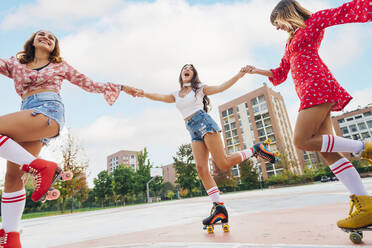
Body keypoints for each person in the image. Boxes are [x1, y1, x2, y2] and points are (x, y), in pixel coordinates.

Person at [0, 30, 137, 247]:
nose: (45, 37)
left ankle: (40, 166)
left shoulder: (60, 66)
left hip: (48, 111)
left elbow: (88, 83)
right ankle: (11, 239)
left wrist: (119, 87)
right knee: (12, 178)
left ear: (54, 47)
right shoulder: (16, 65)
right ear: (32, 41)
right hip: (26, 115)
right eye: (40, 34)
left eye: (51, 37)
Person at [244, 0, 372, 230]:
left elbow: (344, 12)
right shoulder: (290, 43)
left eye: (277, 22)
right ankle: (366, 206)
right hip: (307, 91)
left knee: (301, 140)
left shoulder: (312, 23)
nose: (276, 28)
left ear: (286, 14)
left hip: (318, 85)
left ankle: (364, 147)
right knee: (327, 152)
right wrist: (256, 70)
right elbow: (281, 73)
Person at [135, 64, 277, 228]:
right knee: (201, 169)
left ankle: (255, 149)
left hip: (204, 123)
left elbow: (221, 87)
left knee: (222, 162)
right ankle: (219, 208)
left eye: (190, 68)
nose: (187, 69)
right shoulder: (176, 95)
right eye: (184, 68)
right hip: (192, 130)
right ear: (181, 74)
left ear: (193, 74)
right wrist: (143, 93)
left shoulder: (200, 89)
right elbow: (159, 96)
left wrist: (239, 75)